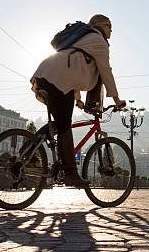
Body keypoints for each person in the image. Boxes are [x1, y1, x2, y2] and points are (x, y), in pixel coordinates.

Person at [30, 14, 126, 187]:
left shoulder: (84, 38)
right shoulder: (99, 40)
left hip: (47, 74)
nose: (111, 30)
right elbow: (105, 71)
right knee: (65, 124)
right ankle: (70, 173)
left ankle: (26, 154)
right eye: (109, 26)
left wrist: (78, 98)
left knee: (60, 123)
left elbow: (74, 66)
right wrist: (117, 99)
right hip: (57, 79)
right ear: (100, 25)